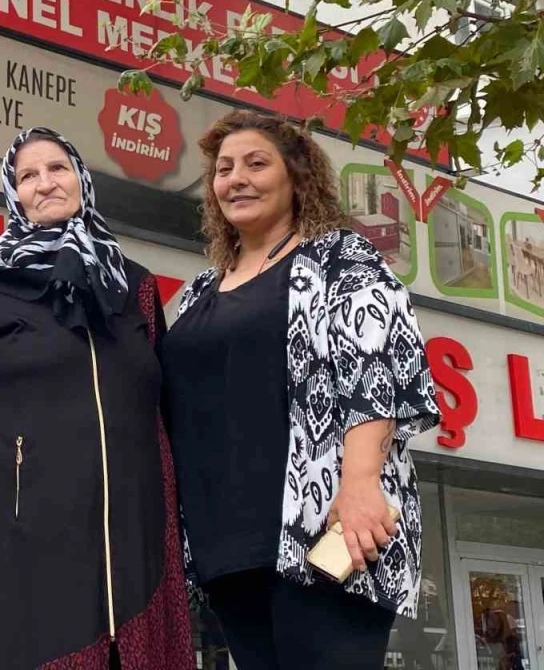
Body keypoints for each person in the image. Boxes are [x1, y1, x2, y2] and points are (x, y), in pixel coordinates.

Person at [162, 110, 441, 670]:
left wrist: (359, 485)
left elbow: (376, 369)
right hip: (227, 548)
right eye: (224, 169)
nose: (236, 179)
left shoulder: (340, 257)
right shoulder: (198, 292)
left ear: (296, 176)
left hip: (324, 531)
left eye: (256, 164)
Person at [0, 127, 194, 670]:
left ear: (82, 179)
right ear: (13, 193)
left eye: (57, 168)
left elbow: (163, 413)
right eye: (27, 175)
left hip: (136, 535)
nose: (45, 183)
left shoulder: (133, 285)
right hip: (25, 535)